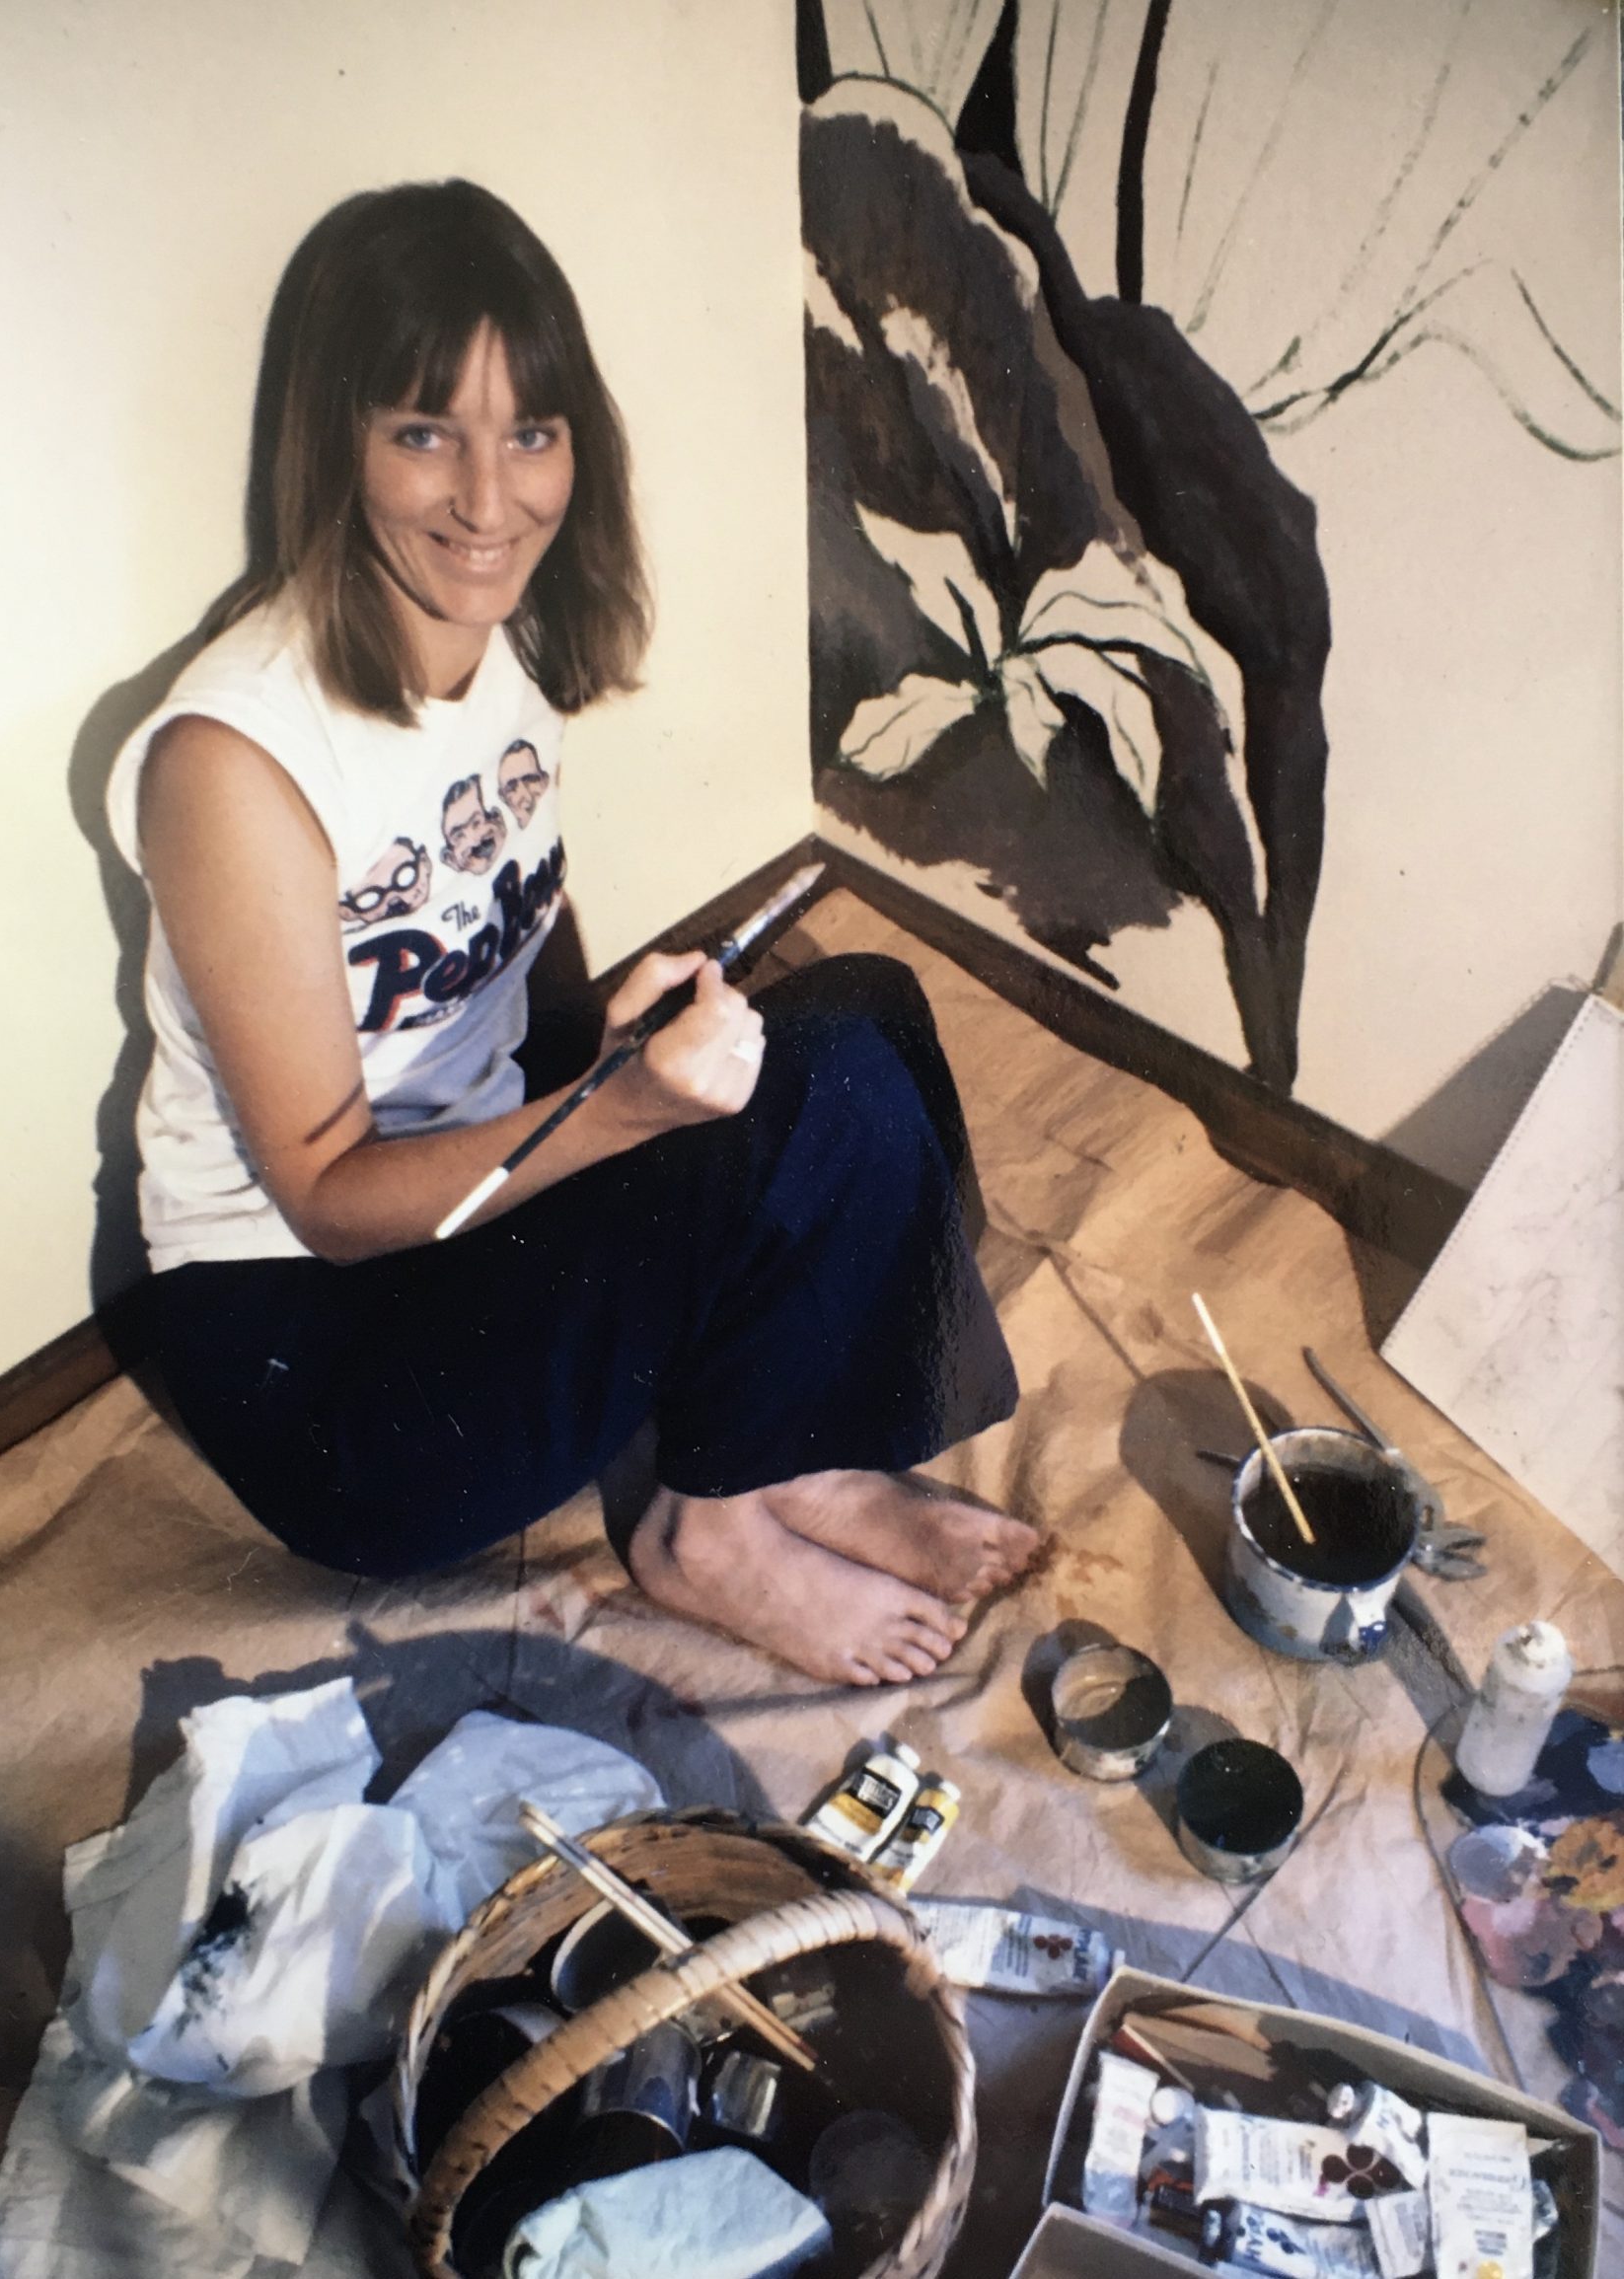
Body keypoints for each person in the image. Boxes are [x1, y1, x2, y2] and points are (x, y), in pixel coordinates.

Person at [107, 179, 1031, 1688]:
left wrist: (610, 1038)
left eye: (529, 432)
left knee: (868, 1010)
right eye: (424, 433)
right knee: (819, 1103)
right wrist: (627, 1113)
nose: (490, 499)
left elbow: (518, 904)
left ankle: (795, 1452)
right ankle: (702, 1531)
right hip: (322, 1360)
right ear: (333, 442)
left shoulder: (501, 625)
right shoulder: (232, 762)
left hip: (468, 1212)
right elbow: (333, 1198)